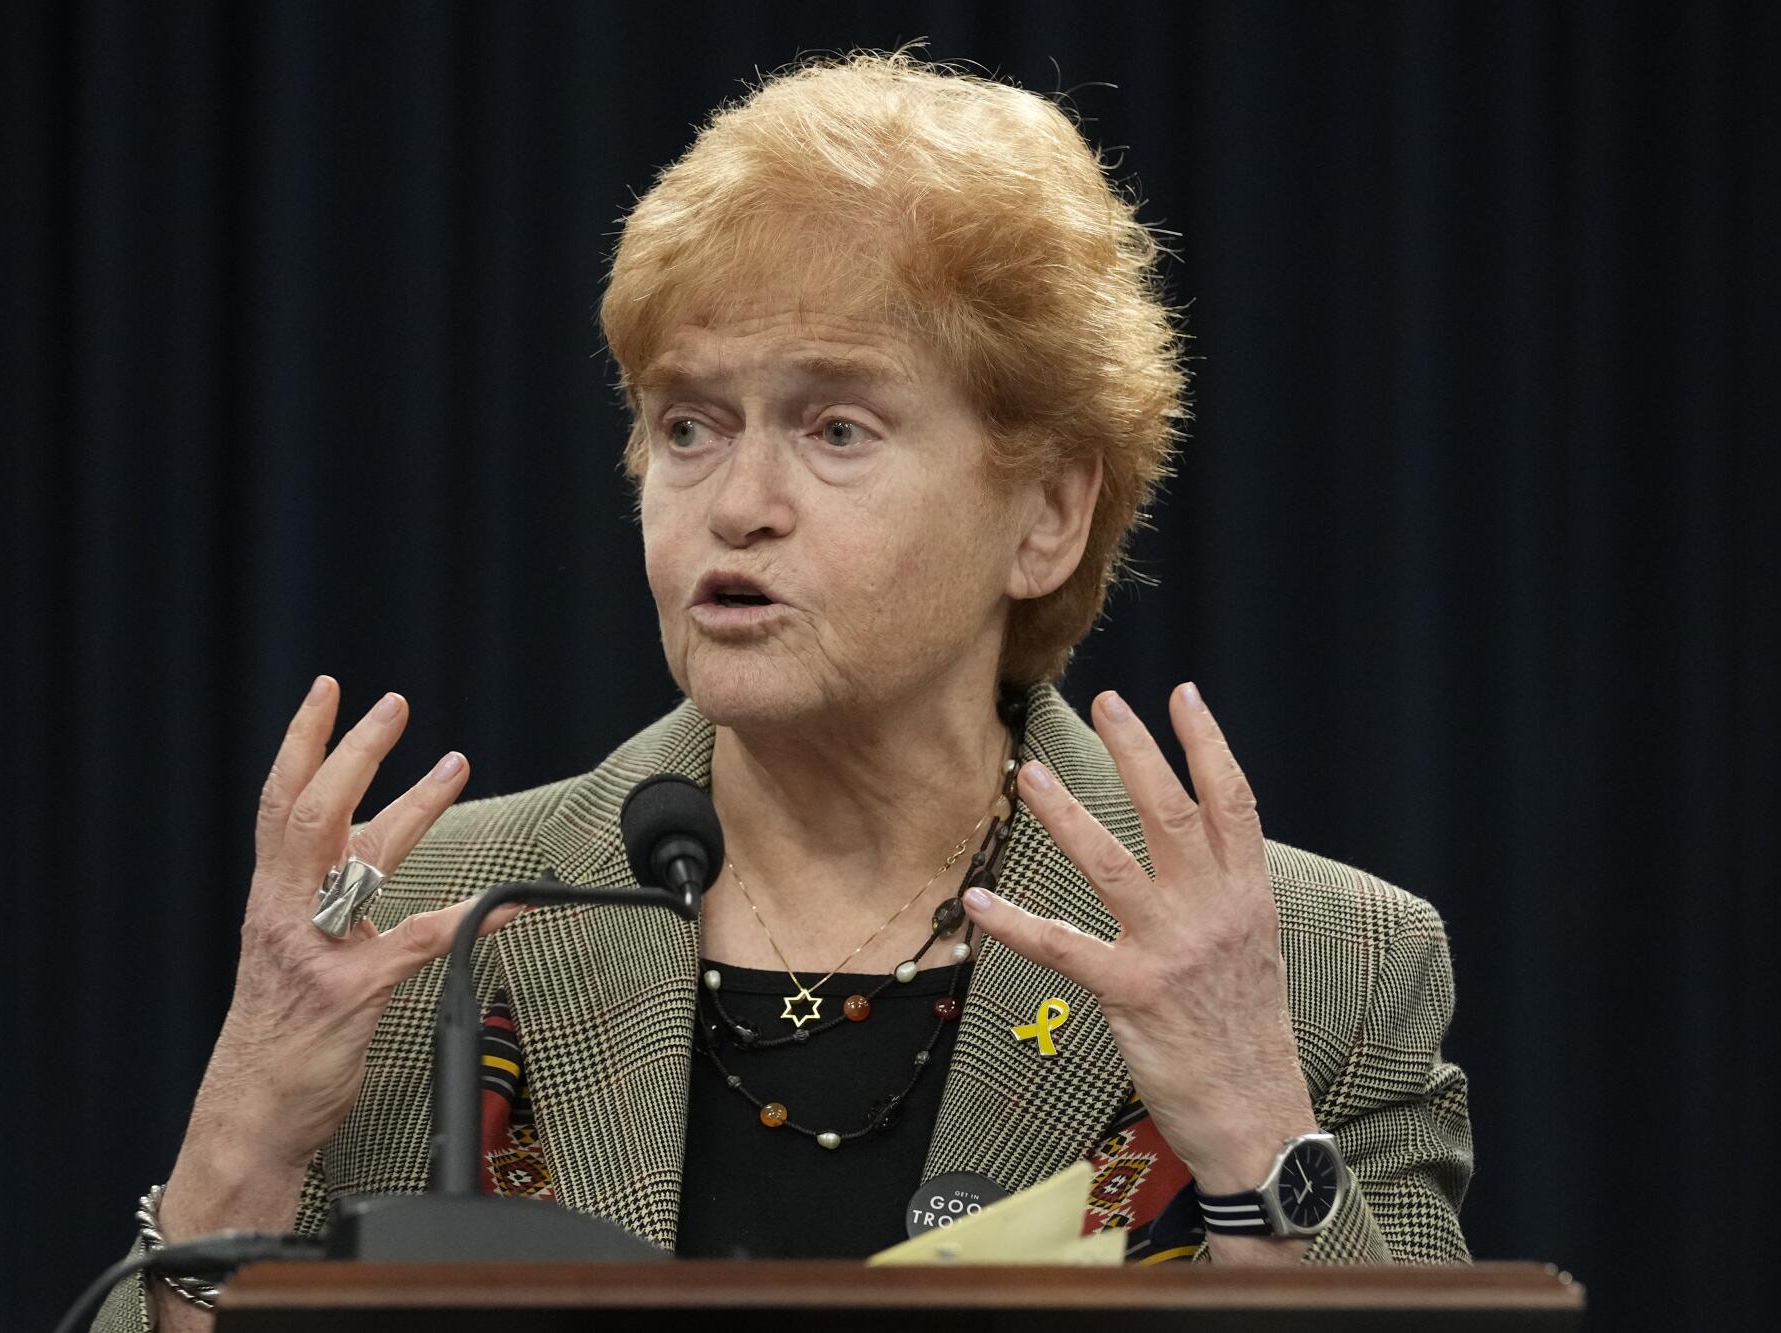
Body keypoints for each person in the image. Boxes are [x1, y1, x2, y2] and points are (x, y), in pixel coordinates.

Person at [94, 50, 1471, 1332]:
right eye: (688, 423)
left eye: (836, 427)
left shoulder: (1316, 963)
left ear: (1046, 512)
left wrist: (1255, 1150)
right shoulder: (442, 925)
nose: (736, 504)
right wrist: (241, 1138)